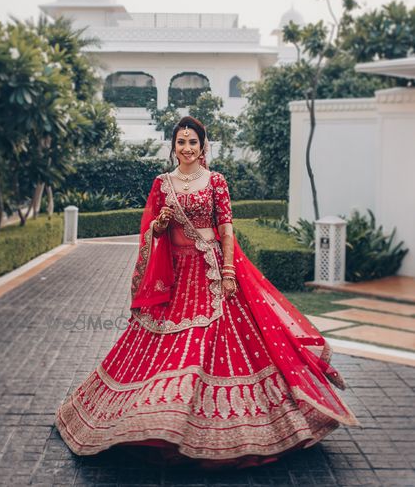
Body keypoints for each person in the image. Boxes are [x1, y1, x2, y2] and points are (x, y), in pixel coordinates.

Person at [55, 115, 360, 469]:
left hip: (212, 272)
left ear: (203, 147)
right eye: (181, 142)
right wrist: (161, 224)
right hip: (176, 279)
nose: (186, 148)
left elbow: (227, 230)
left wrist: (229, 272)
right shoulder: (162, 183)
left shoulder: (215, 181)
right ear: (173, 146)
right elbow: (152, 232)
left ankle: (222, 428)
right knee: (160, 343)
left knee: (213, 338)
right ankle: (156, 419)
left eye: (193, 143)